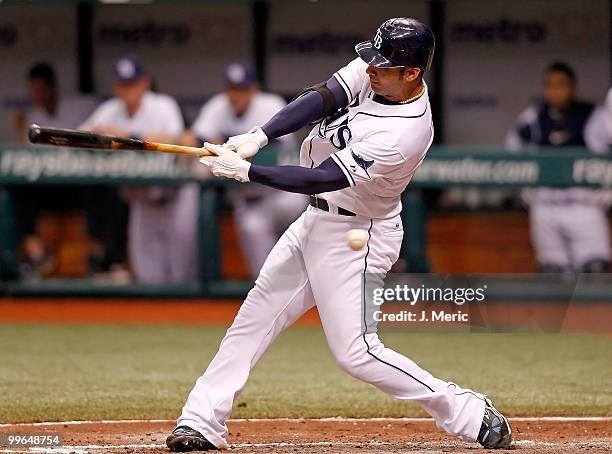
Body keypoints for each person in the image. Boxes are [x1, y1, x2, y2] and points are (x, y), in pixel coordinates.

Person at [166, 18, 511, 451]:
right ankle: (201, 421)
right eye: (372, 60)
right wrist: (260, 135)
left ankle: (466, 410)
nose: (370, 70)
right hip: (316, 222)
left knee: (357, 353)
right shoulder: (378, 72)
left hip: (359, 234)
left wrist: (248, 170)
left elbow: (321, 178)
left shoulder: (404, 132)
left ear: (412, 73)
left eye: (383, 66)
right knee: (253, 319)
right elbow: (324, 95)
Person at [80, 57, 199, 284]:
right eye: (123, 85)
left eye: (132, 84)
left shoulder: (163, 105)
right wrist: (98, 133)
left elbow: (174, 139)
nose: (128, 90)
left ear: (145, 83)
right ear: (115, 87)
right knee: (148, 278)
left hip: (176, 198)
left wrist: (126, 136)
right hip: (141, 203)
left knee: (183, 277)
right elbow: (80, 136)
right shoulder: (109, 110)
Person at [185, 63, 306, 278]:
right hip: (250, 202)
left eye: (241, 89)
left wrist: (226, 147)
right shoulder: (217, 107)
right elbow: (193, 138)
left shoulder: (269, 105)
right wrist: (201, 142)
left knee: (308, 237)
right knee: (264, 275)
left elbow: (275, 148)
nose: (235, 95)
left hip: (283, 195)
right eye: (232, 89)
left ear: (254, 89)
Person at [505, 62, 609, 273]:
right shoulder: (533, 117)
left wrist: (607, 191)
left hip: (583, 205)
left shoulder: (592, 115)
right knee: (551, 273)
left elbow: (606, 156)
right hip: (546, 206)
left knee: (595, 270)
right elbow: (511, 154)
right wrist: (525, 191)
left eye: (561, 84)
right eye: (550, 85)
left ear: (572, 87)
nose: (555, 90)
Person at [10, 63, 96, 277]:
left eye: (40, 89)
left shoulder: (78, 108)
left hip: (77, 185)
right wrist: (20, 132)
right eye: (33, 90)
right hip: (48, 187)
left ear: (51, 88)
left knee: (99, 189)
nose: (36, 95)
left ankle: (100, 256)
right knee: (17, 191)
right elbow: (26, 159)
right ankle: (37, 254)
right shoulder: (32, 117)